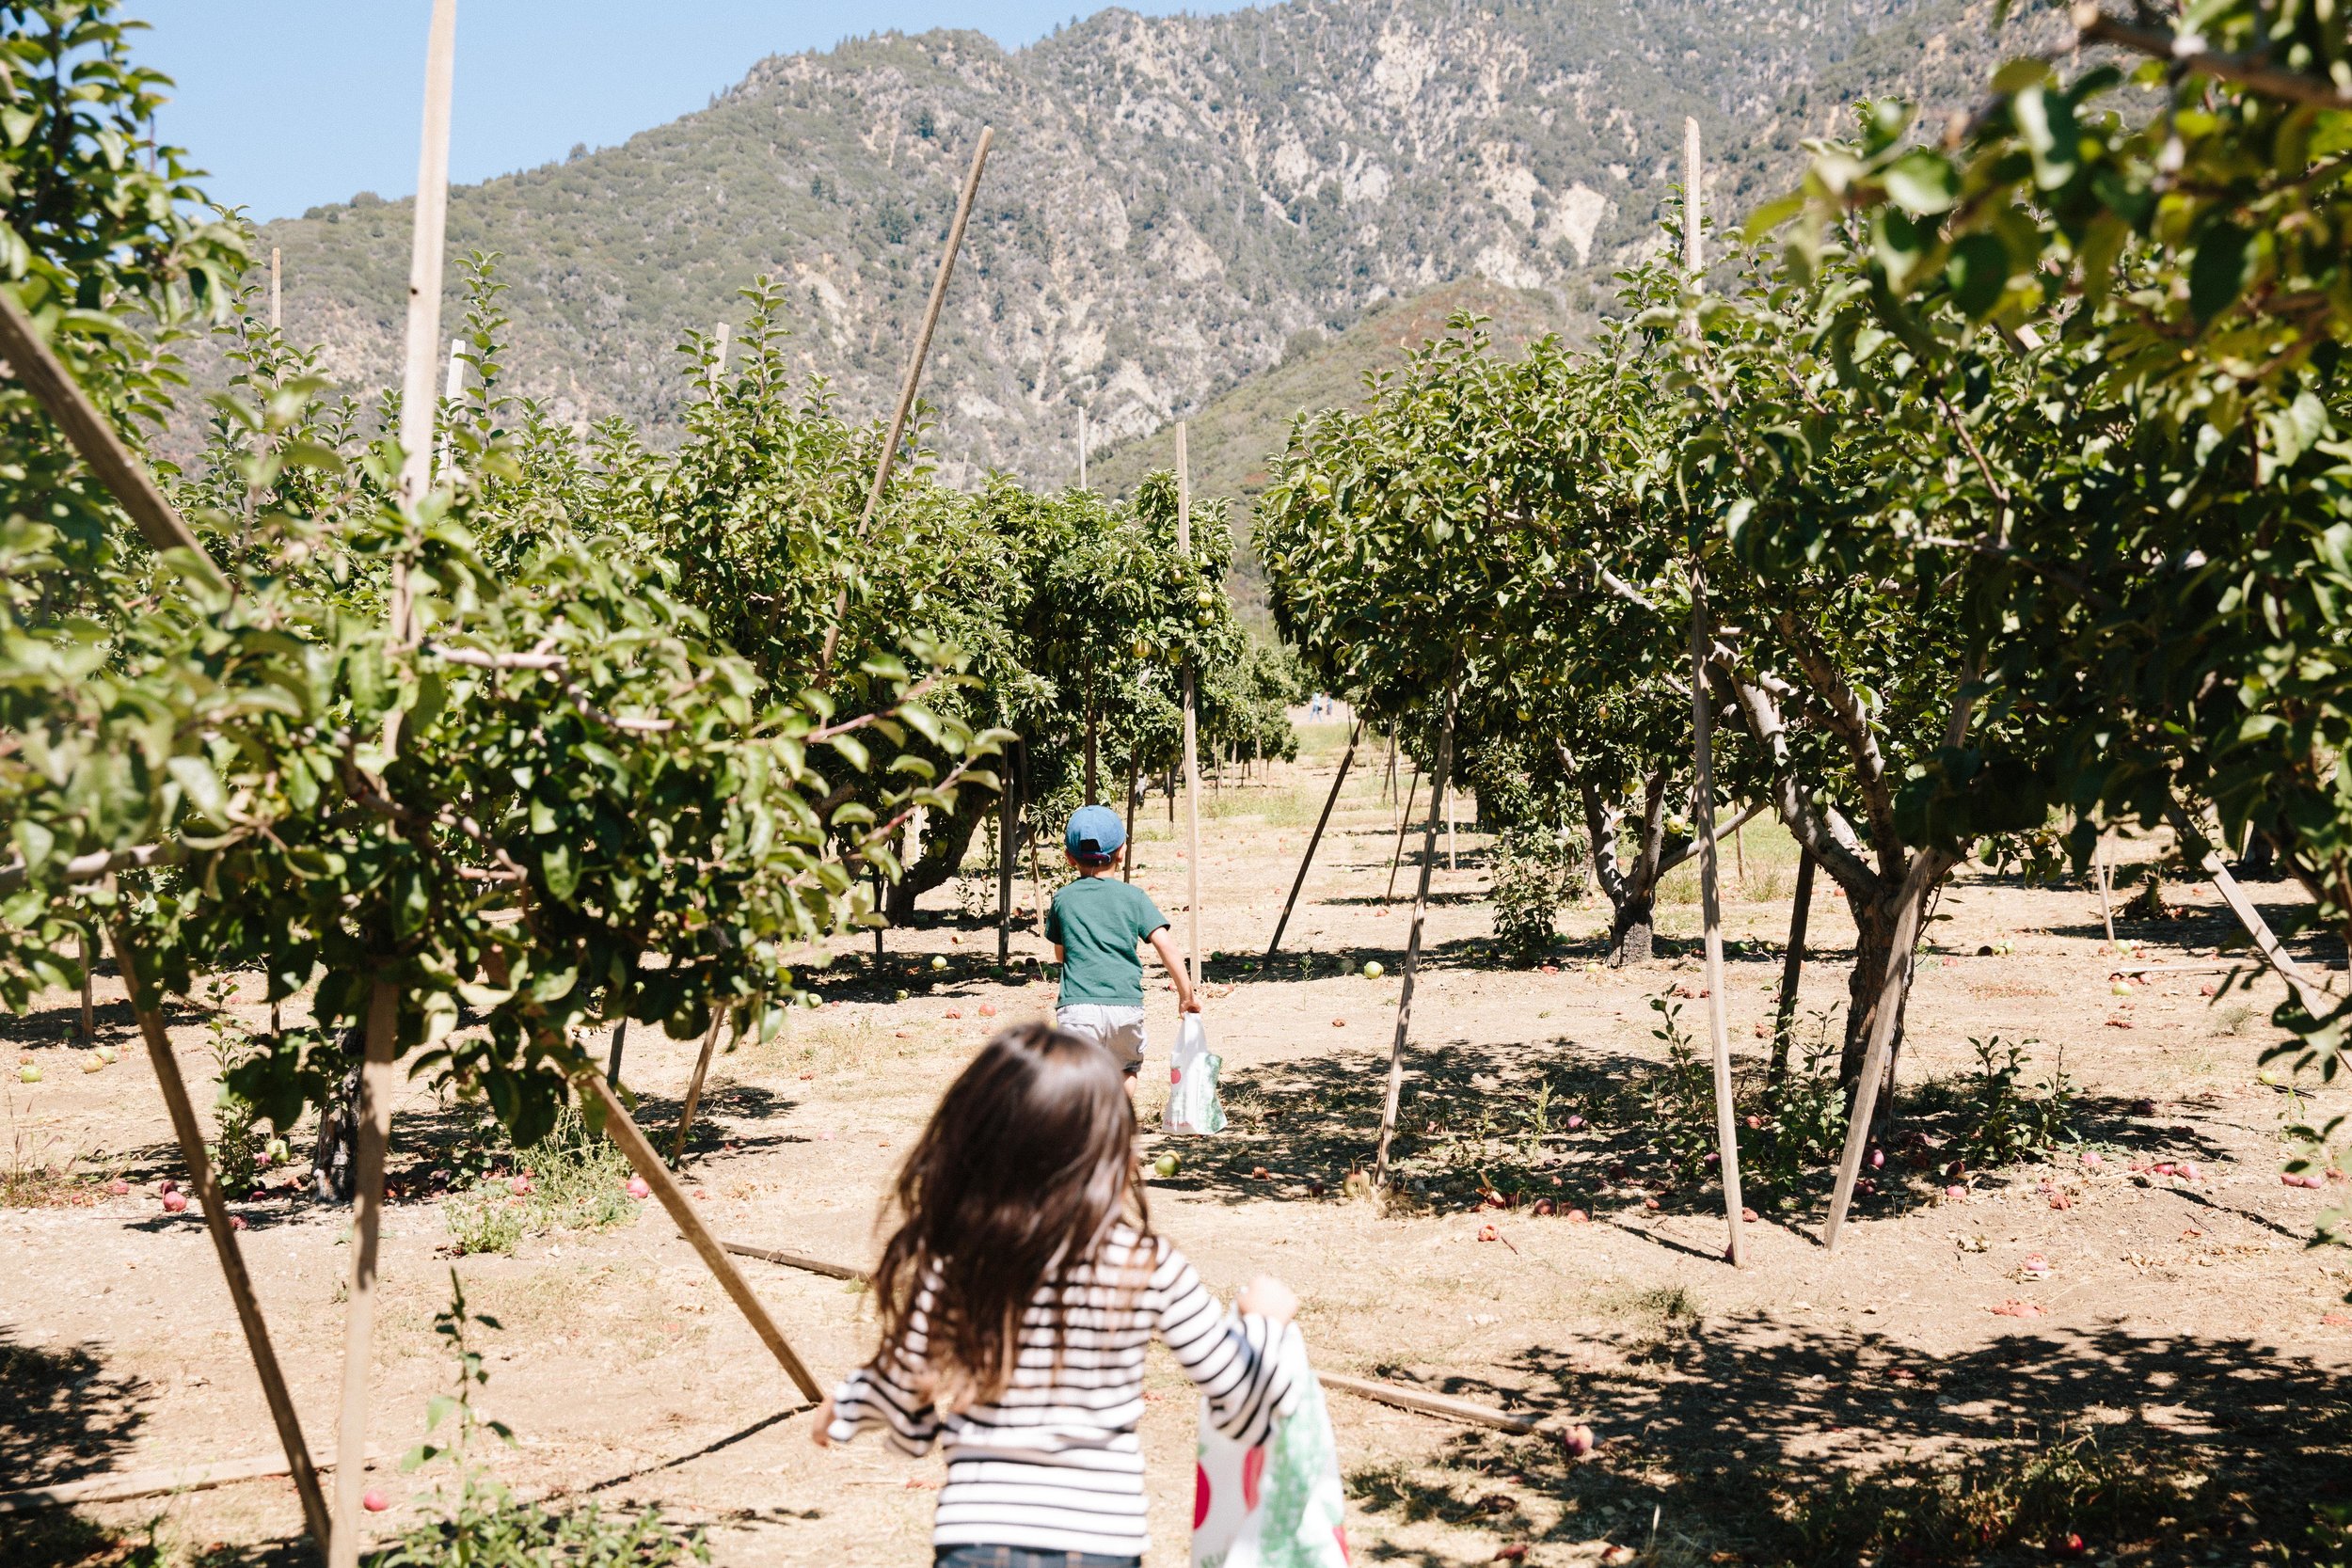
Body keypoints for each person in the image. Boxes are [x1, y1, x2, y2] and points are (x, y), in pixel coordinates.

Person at [814, 1024, 1300, 1568]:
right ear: (1110, 1146)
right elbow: (1241, 1395)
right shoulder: (1144, 1263)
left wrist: (844, 1407)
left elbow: (907, 1385)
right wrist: (1265, 1323)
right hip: (1097, 1545)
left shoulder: (962, 1256)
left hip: (976, 1541)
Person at [1046, 803, 1199, 1081]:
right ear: (1122, 852)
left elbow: (1061, 955)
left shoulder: (1062, 899)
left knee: (1078, 1080)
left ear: (1069, 857)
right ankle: (1115, 1121)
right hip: (1124, 1007)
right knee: (1126, 1071)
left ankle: (1088, 1122)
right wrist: (1186, 995)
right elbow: (1166, 945)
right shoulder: (1134, 897)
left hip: (1078, 1008)